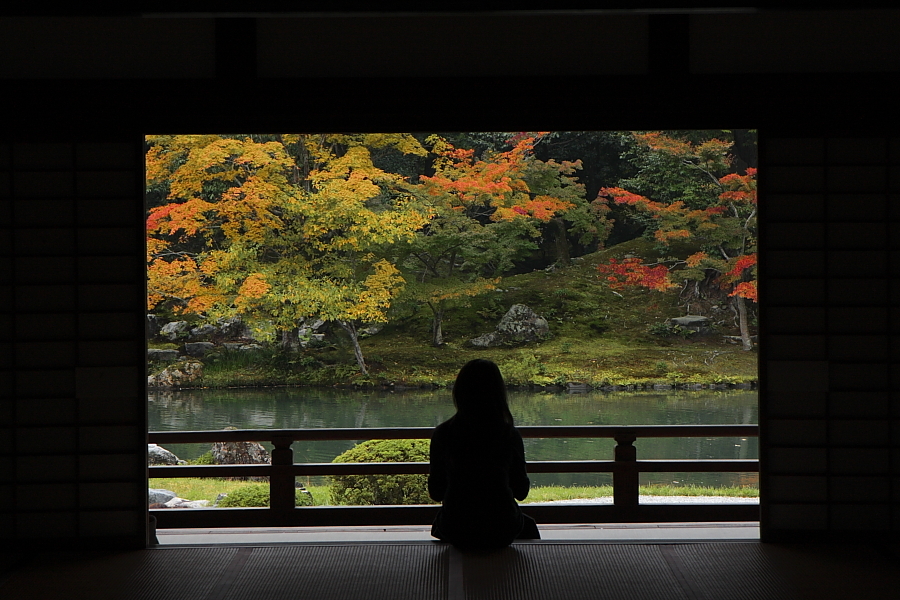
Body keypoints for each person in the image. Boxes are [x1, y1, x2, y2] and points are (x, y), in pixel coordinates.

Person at [428, 358, 540, 550]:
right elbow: (521, 492)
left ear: (459, 392)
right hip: (502, 526)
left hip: (456, 526)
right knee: (527, 526)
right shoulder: (508, 434)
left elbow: (436, 492)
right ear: (498, 393)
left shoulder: (443, 433)